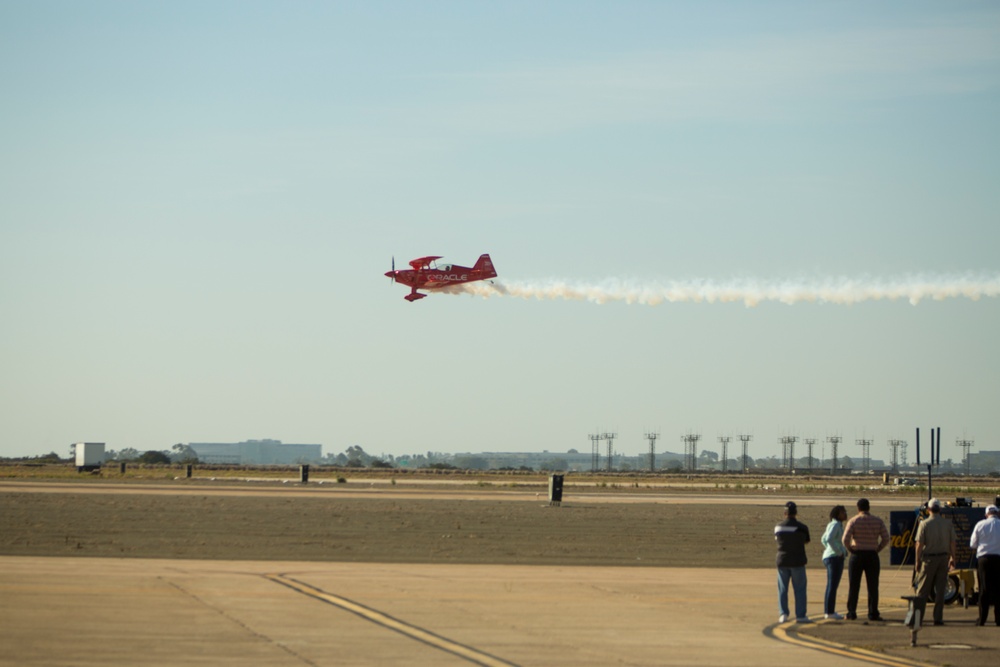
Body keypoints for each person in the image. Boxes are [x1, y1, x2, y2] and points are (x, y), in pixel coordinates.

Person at [842, 498, 890, 621]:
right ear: (869, 507)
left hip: (857, 554)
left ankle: (851, 612)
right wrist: (877, 549)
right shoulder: (877, 521)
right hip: (872, 555)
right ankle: (873, 612)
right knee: (873, 586)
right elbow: (886, 538)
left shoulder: (853, 521)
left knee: (854, 585)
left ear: (858, 508)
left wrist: (850, 549)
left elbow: (845, 539)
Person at [913, 498, 958, 626]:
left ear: (928, 510)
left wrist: (917, 561)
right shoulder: (947, 524)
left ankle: (918, 617)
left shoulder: (924, 524)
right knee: (940, 590)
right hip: (943, 559)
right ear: (940, 509)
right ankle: (938, 618)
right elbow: (952, 543)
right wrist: (953, 558)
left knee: (922, 590)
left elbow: (919, 544)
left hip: (929, 559)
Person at [775, 500, 811, 623]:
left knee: (783, 589)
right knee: (800, 589)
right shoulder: (802, 527)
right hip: (798, 561)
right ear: (796, 513)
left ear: (785, 513)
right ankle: (800, 615)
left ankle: (783, 613)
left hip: (783, 560)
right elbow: (806, 541)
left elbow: (778, 540)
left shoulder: (778, 527)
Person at [970, 504, 1000, 626]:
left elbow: (973, 544)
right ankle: (999, 619)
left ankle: (982, 618)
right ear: (997, 513)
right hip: (998, 558)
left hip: (984, 559)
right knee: (998, 589)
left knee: (984, 588)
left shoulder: (980, 524)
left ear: (986, 514)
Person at [821, 505, 849, 620]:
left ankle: (829, 611)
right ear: (838, 514)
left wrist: (832, 548)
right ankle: (829, 612)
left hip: (830, 556)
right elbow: (828, 539)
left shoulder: (832, 524)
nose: (845, 514)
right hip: (834, 558)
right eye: (843, 512)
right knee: (832, 585)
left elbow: (823, 539)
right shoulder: (836, 525)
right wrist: (838, 551)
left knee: (831, 585)